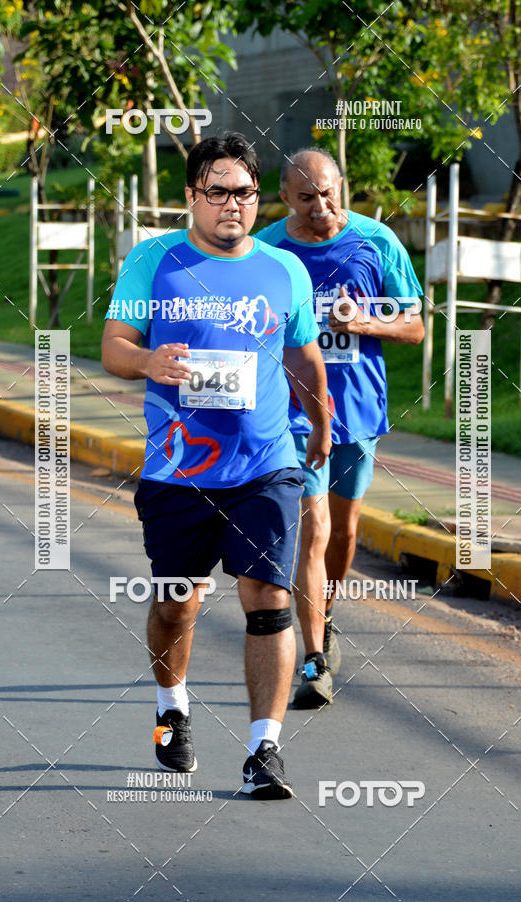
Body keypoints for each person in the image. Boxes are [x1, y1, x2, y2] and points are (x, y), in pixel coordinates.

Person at [101, 132, 331, 799]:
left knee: (270, 599)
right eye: (218, 191)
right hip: (178, 470)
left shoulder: (285, 269)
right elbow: (114, 346)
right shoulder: (155, 261)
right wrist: (147, 362)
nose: (232, 204)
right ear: (192, 197)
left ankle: (266, 751)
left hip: (266, 464)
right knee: (178, 604)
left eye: (245, 192)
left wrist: (319, 423)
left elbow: (303, 355)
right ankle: (171, 707)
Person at [257, 147, 424, 708]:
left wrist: (366, 321)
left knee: (345, 534)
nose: (321, 206)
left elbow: (416, 325)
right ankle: (314, 659)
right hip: (292, 413)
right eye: (306, 197)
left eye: (329, 193)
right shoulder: (269, 251)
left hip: (357, 412)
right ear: (285, 197)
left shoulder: (377, 241)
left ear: (341, 186)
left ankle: (324, 614)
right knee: (314, 530)